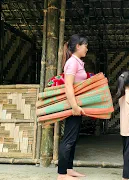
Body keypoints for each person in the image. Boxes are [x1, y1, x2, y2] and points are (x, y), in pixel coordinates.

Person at [57, 34, 88, 180]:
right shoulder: (72, 63)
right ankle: (61, 174)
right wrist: (74, 106)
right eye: (85, 45)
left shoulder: (77, 62)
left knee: (73, 138)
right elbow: (68, 85)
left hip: (76, 107)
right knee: (68, 139)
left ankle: (68, 169)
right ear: (78, 46)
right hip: (72, 107)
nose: (87, 48)